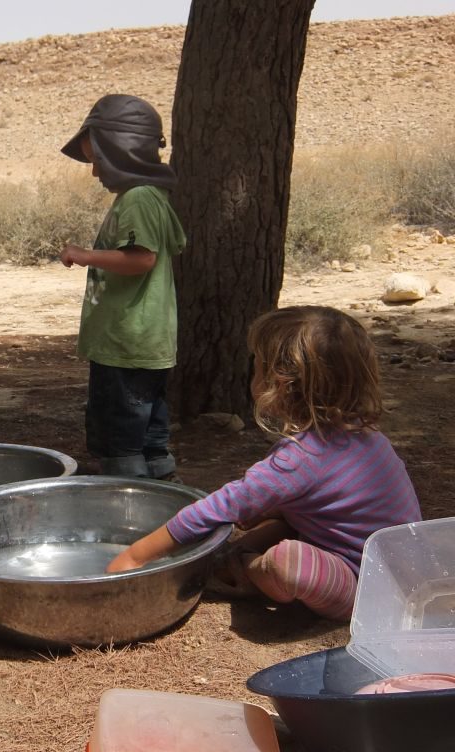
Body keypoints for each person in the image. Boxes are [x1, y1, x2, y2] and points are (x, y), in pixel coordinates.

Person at [107, 305, 422, 620]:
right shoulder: (364, 434)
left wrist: (134, 557)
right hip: (404, 574)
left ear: (280, 384)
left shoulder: (299, 459)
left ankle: (247, 571)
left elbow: (213, 509)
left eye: (256, 366)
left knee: (288, 562)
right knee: (281, 517)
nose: (251, 374)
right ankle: (233, 560)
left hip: (366, 591)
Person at [58, 94, 186, 480]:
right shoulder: (154, 197)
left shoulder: (138, 199)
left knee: (119, 440)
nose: (95, 172)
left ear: (121, 151)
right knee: (149, 436)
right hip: (145, 343)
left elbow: (142, 258)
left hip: (125, 344)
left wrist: (84, 255)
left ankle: (126, 506)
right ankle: (165, 498)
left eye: (97, 159)